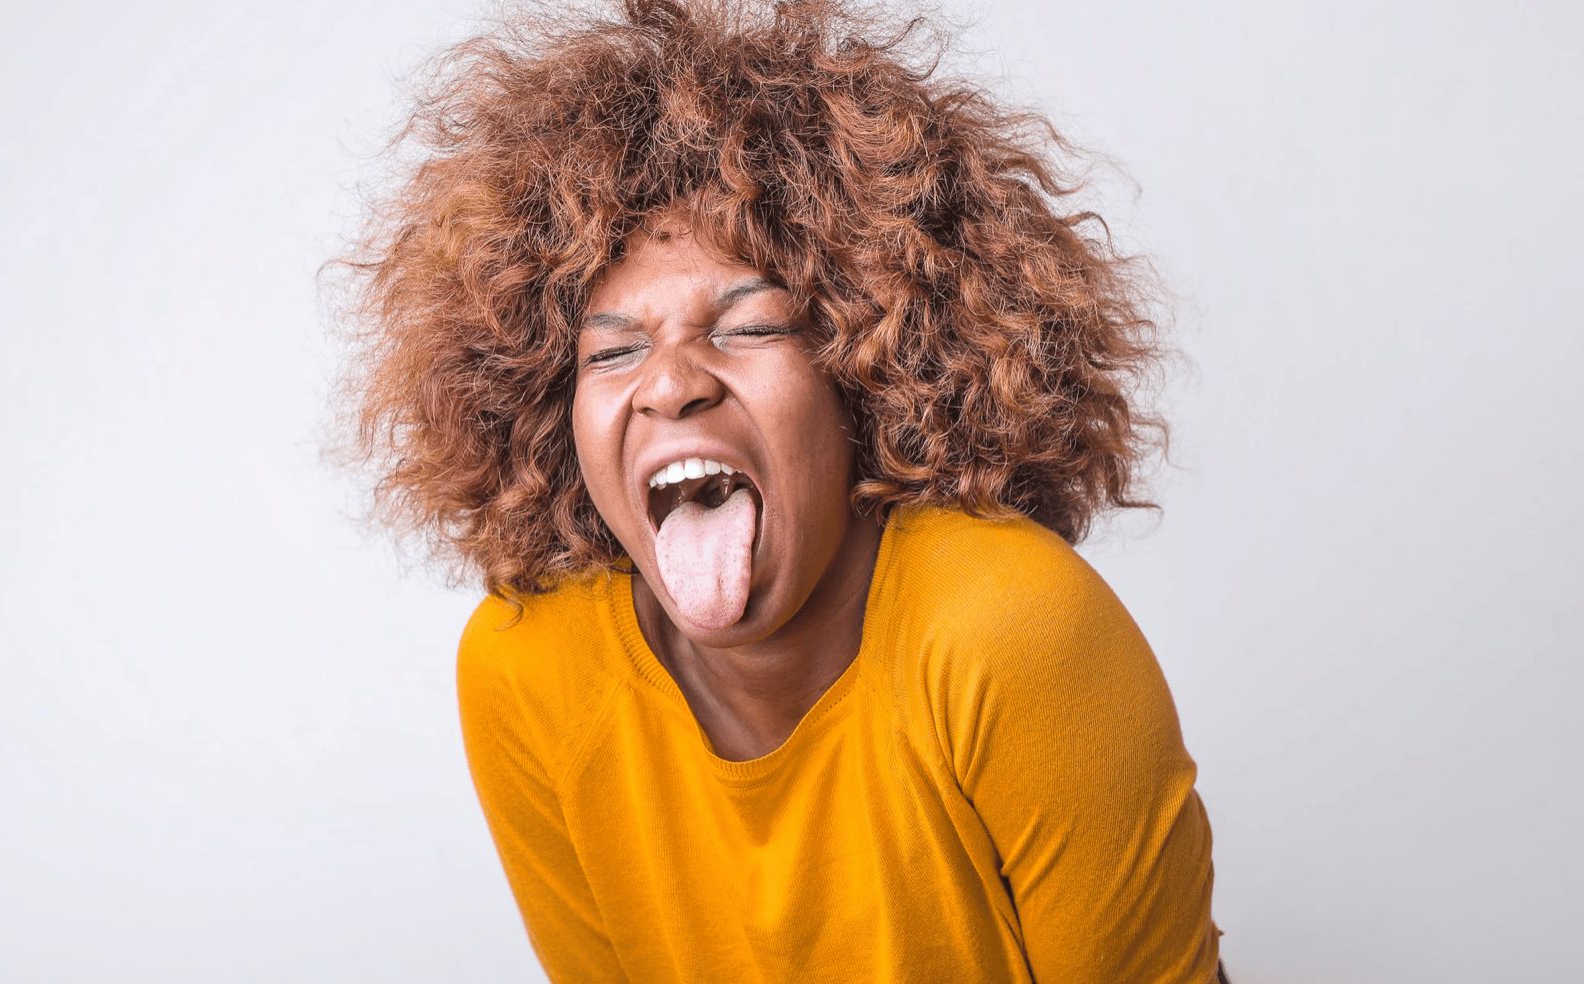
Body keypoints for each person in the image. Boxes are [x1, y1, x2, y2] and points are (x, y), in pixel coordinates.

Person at [336, 0, 1226, 979]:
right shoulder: (532, 672)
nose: (669, 382)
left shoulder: (1007, 627)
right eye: (613, 351)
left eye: (748, 328)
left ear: (869, 370)